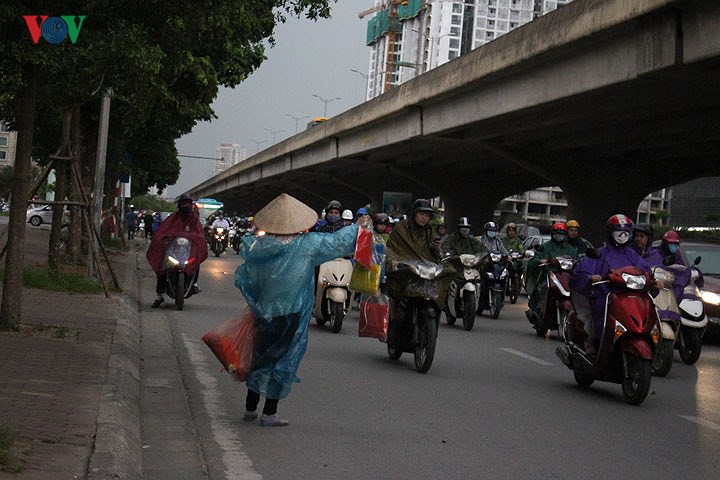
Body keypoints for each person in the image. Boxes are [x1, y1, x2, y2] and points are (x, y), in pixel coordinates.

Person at [234, 193, 366, 426]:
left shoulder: (260, 246)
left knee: (260, 357)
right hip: (291, 312)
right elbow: (337, 243)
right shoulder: (307, 245)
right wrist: (358, 227)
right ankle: (269, 413)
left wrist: (259, 303)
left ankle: (250, 409)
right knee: (282, 360)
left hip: (264, 311)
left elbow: (250, 281)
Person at [570, 214, 651, 353]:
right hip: (605, 298)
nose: (622, 236)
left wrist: (654, 280)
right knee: (595, 326)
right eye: (618, 233)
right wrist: (591, 277)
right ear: (610, 233)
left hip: (631, 300)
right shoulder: (599, 254)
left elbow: (646, 272)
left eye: (625, 233)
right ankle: (595, 346)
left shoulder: (633, 256)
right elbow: (580, 274)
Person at [385, 199, 454, 333]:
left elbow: (432, 255)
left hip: (423, 273)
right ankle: (395, 329)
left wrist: (436, 250)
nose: (424, 218)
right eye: (421, 214)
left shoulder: (428, 231)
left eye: (427, 215)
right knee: (400, 306)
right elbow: (392, 249)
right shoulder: (401, 228)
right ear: (414, 213)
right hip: (405, 273)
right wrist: (396, 263)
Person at [146, 194, 209, 308]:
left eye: (188, 203)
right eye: (183, 203)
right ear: (179, 205)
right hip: (173, 250)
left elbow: (199, 234)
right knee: (162, 265)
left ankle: (194, 283)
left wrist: (196, 240)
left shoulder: (194, 219)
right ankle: (160, 294)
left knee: (196, 261)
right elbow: (163, 231)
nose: (186, 205)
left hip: (188, 251)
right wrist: (163, 239)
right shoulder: (172, 218)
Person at [525, 222, 579, 325]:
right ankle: (539, 312)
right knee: (543, 289)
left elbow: (577, 261)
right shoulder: (546, 247)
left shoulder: (571, 249)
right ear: (552, 234)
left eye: (561, 233)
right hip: (549, 276)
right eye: (557, 233)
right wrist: (541, 261)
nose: (559, 236)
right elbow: (534, 260)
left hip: (566, 278)